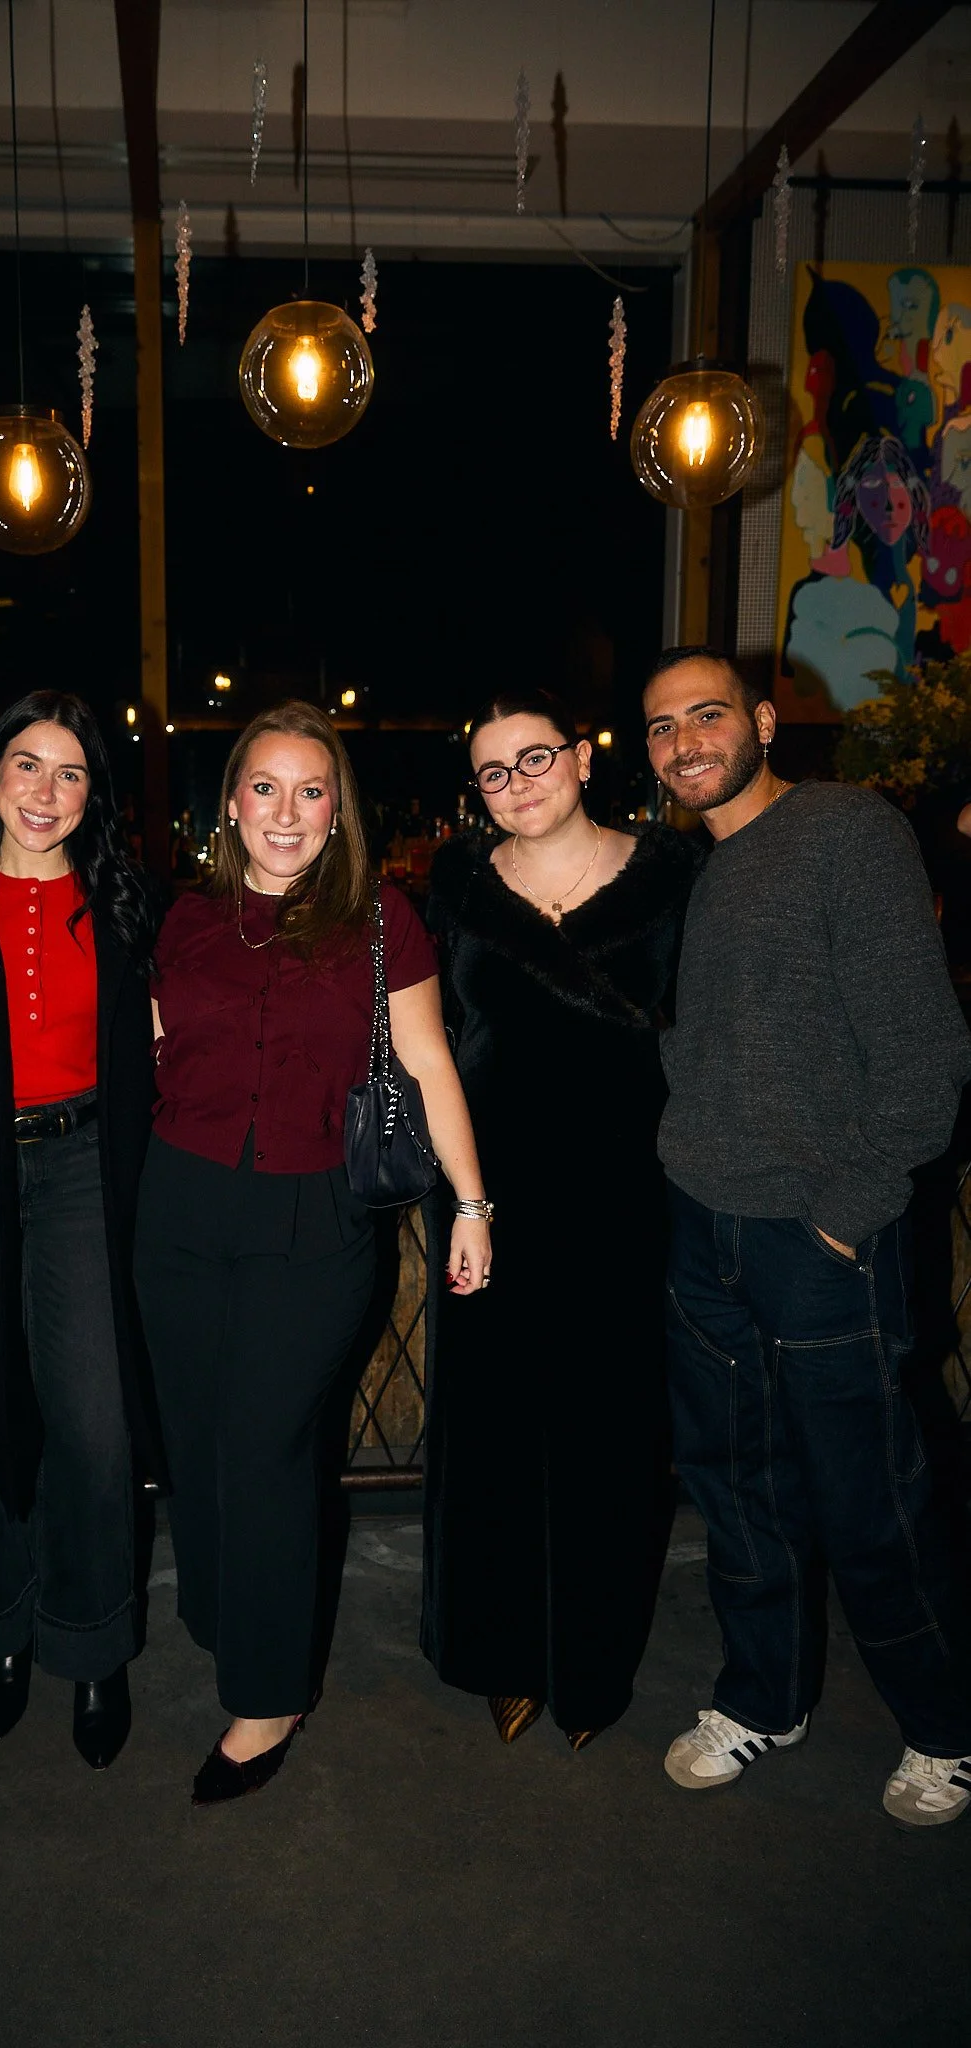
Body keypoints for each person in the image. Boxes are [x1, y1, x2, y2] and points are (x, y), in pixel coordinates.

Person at [134, 700, 491, 1805]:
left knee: (270, 1448)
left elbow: (429, 1064)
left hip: (315, 1219)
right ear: (230, 801)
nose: (285, 811)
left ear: (338, 809)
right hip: (181, 1210)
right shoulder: (185, 916)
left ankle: (269, 1691)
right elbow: (154, 1050)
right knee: (194, 1435)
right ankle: (227, 1604)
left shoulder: (383, 918)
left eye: (310, 789)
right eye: (264, 787)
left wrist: (473, 1204)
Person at [644, 644, 971, 1828]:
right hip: (706, 1230)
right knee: (738, 1489)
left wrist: (846, 1214)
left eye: (707, 715)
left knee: (869, 1497)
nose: (685, 740)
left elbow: (927, 1055)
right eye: (663, 725)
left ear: (765, 722)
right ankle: (761, 1697)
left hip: (821, 1231)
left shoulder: (848, 832)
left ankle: (944, 1726)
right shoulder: (697, 870)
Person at [421, 690, 699, 1748]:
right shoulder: (456, 888)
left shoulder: (673, 877)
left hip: (625, 1187)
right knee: (490, 1422)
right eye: (494, 770)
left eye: (536, 756)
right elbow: (428, 1037)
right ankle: (500, 1648)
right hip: (484, 1190)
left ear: (583, 757)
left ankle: (588, 1656)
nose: (517, 781)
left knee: (609, 1428)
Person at [0, 692, 161, 1770]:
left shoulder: (122, 903)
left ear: (91, 792)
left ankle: (92, 1639)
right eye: (27, 764)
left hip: (78, 1169)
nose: (47, 792)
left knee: (95, 1428)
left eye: (70, 773)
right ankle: (0, 1626)